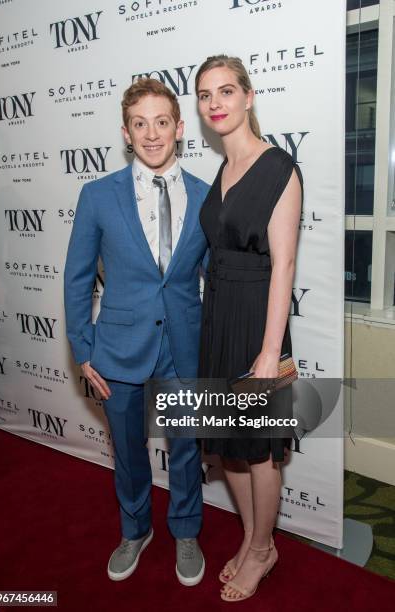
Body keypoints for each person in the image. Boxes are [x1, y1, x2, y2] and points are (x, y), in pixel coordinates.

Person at [64, 78, 209, 586]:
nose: (152, 134)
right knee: (127, 450)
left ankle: (186, 531)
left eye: (161, 122)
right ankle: (135, 529)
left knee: (187, 445)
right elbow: (78, 276)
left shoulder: (206, 196)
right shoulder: (98, 195)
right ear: (126, 132)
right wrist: (83, 349)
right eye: (140, 124)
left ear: (179, 128)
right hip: (117, 348)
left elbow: (217, 277)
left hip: (185, 347)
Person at [195, 55, 303, 602]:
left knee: (258, 448)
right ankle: (251, 537)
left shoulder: (278, 166)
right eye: (205, 94)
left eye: (226, 91)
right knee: (227, 446)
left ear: (248, 96)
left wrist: (268, 353)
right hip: (218, 320)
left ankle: (263, 550)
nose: (215, 103)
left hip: (258, 323)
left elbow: (283, 265)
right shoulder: (222, 171)